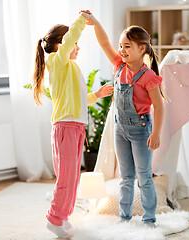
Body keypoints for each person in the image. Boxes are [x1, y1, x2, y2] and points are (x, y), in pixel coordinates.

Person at [32, 12, 114, 239]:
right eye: (73, 44)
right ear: (61, 45)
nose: (77, 47)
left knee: (72, 177)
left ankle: (63, 216)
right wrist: (81, 21)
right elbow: (69, 41)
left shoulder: (70, 68)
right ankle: (54, 218)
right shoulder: (56, 62)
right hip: (65, 128)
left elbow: (77, 98)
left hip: (75, 128)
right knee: (66, 178)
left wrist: (96, 94)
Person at [83, 11, 164, 228]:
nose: (122, 50)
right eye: (121, 46)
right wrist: (95, 22)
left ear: (142, 49)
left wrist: (156, 133)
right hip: (120, 129)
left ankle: (149, 219)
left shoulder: (148, 76)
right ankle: (124, 217)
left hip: (141, 130)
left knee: (144, 176)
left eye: (127, 46)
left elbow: (159, 105)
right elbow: (104, 42)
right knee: (125, 177)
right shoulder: (119, 66)